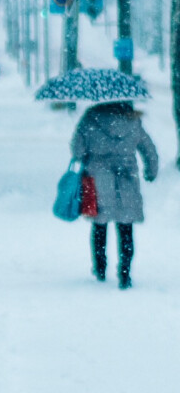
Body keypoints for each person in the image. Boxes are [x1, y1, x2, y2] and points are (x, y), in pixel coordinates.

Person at [70, 100, 158, 289]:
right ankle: (125, 273)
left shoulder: (91, 118)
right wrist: (151, 170)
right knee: (126, 227)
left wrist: (85, 156)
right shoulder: (132, 119)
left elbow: (77, 148)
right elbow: (148, 148)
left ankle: (100, 268)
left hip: (97, 176)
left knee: (100, 225)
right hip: (127, 178)